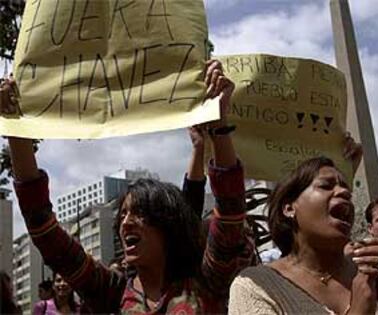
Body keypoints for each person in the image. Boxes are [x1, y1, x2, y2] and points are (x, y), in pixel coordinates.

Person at [1, 60, 255, 314]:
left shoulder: (206, 279)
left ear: (169, 224)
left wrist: (219, 124)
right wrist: (13, 125)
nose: (126, 223)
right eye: (122, 215)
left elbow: (231, 210)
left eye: (139, 213)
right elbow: (44, 229)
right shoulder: (111, 291)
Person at [229, 156, 378, 314]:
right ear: (289, 208)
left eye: (346, 190)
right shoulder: (256, 286)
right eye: (326, 186)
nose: (344, 192)